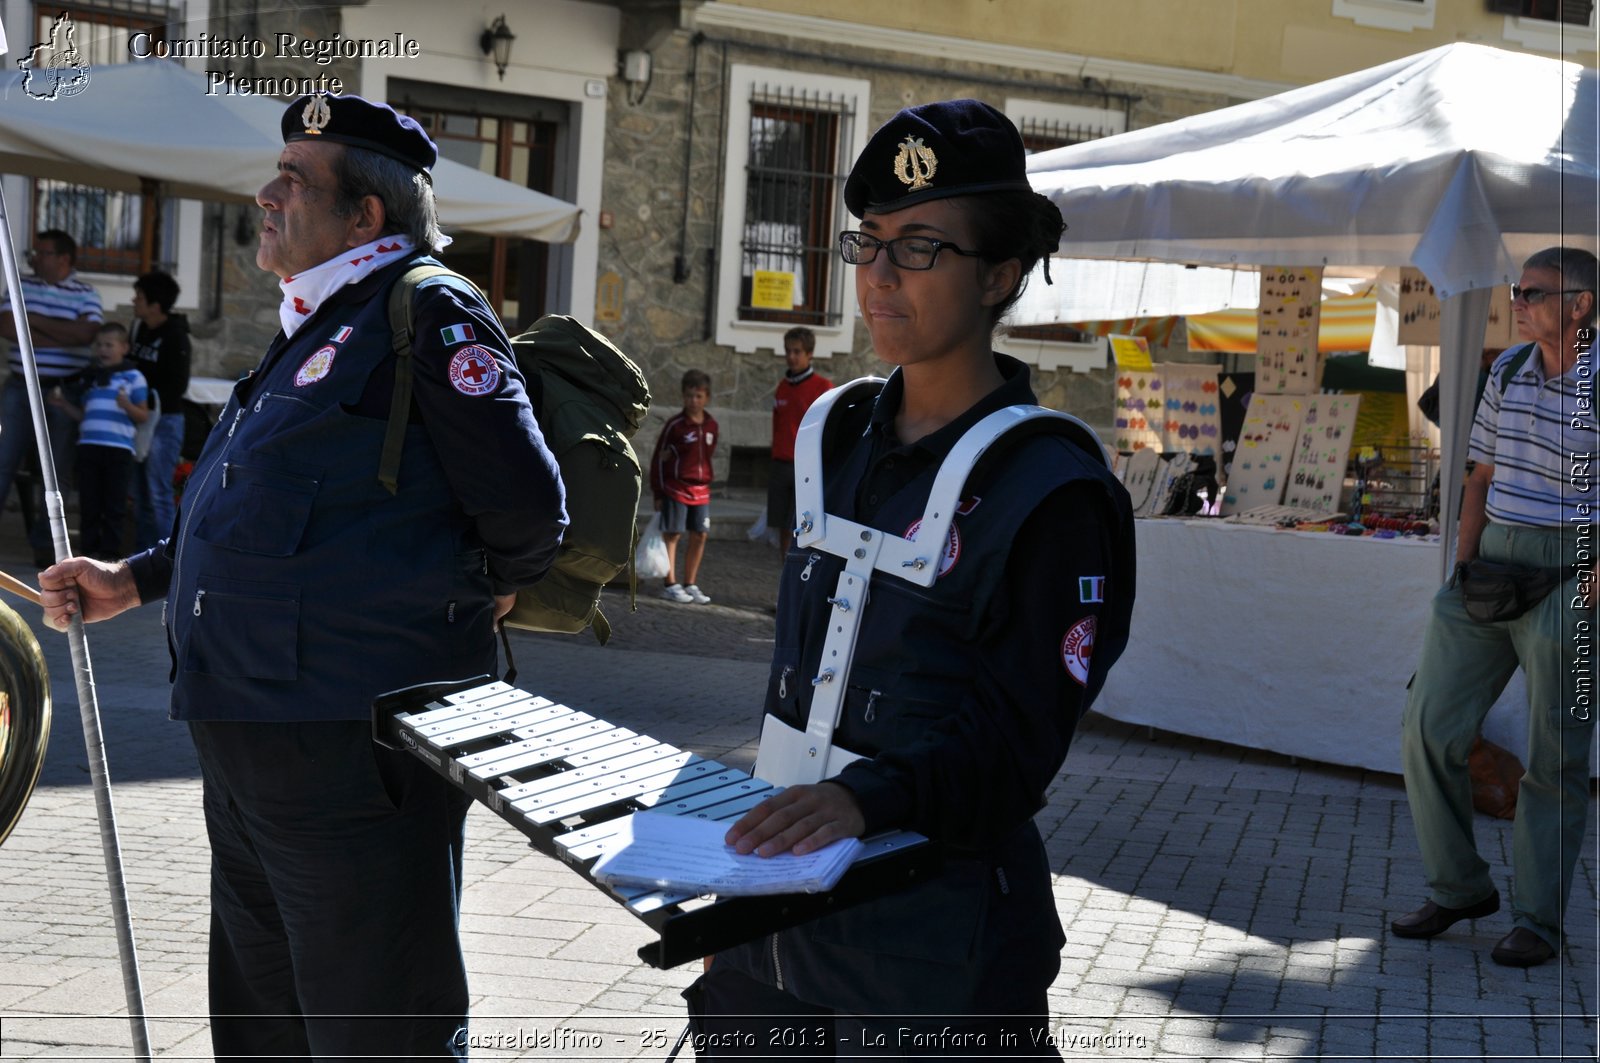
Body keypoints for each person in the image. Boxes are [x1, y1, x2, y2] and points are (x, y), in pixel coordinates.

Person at [39, 93, 567, 1059]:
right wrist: (135, 577)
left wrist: (488, 578)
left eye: (295, 179)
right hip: (249, 751)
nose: (266, 193)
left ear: (366, 215)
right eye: (275, 170)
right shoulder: (318, 322)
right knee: (264, 1030)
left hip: (349, 753)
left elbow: (529, 507)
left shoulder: (427, 309)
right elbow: (257, 513)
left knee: (377, 1032)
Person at [683, 100, 1136, 1055]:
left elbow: (1020, 738)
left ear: (1001, 275)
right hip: (773, 925)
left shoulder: (1053, 487)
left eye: (921, 248)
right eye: (871, 243)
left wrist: (868, 798)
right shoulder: (836, 435)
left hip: (935, 944)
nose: (880, 277)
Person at [1392, 247, 1597, 968]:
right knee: (1428, 725)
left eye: (1533, 292)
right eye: (1518, 290)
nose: (1518, 301)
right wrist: (1461, 568)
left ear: (1580, 305)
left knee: (1557, 757)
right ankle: (1459, 887)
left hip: (1573, 571)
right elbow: (1478, 476)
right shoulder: (1507, 370)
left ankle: (1538, 920)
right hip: (1490, 566)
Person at [0, 229, 103, 566]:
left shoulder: (86, 292)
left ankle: (47, 547)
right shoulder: (21, 284)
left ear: (64, 258)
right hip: (19, 388)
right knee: (3, 462)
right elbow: (6, 326)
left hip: (64, 390)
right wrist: (62, 332)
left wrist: (30, 320)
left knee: (56, 472)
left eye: (42, 252)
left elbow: (86, 335)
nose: (34, 258)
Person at [46, 323, 148, 560]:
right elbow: (85, 415)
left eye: (109, 345)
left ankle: (111, 552)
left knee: (114, 503)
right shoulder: (91, 378)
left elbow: (143, 415)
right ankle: (88, 550)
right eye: (99, 344)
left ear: (124, 347)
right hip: (89, 446)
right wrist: (64, 406)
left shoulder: (134, 377)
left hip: (119, 449)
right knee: (89, 500)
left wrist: (128, 406)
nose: (103, 349)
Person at [127, 269, 191, 549]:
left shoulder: (176, 337)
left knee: (158, 491)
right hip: (138, 420)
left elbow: (177, 385)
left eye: (139, 297)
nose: (133, 301)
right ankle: (143, 557)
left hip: (164, 422)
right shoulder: (138, 328)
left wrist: (144, 404)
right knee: (139, 493)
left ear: (155, 305)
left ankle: (166, 558)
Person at [649, 368, 717, 604]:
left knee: (700, 534)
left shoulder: (711, 426)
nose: (693, 401)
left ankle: (691, 582)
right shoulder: (675, 426)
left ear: (707, 397)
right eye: (689, 396)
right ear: (683, 396)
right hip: (675, 488)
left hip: (701, 491)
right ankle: (670, 583)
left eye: (699, 396)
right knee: (673, 533)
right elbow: (660, 458)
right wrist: (658, 491)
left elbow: (708, 455)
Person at [769, 326, 832, 553]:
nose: (791, 357)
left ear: (809, 354)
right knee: (782, 526)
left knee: (801, 524)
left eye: (797, 351)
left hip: (806, 467)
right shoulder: (782, 387)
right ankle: (785, 571)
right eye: (788, 351)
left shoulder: (822, 387)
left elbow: (828, 428)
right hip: (780, 464)